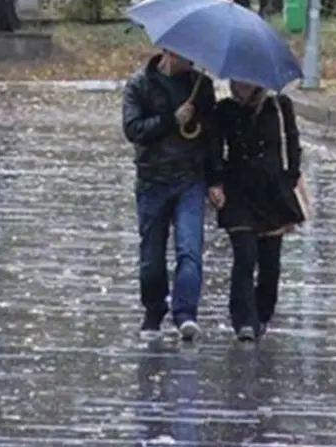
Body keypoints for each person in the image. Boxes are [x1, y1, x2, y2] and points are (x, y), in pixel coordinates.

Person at [122, 50, 217, 342]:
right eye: (185, 55)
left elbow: (211, 137)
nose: (191, 60)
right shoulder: (139, 85)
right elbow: (133, 129)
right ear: (168, 52)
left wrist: (215, 180)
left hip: (190, 179)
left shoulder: (201, 86)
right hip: (153, 180)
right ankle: (153, 311)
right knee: (151, 255)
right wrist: (170, 120)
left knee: (190, 248)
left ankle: (185, 313)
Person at [209, 81, 305, 341]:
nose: (241, 85)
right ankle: (243, 321)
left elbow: (292, 144)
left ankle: (262, 314)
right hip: (238, 192)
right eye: (237, 80)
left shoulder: (279, 107)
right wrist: (215, 182)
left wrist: (290, 177)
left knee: (270, 263)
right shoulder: (225, 110)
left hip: (272, 193)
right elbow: (215, 149)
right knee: (245, 256)